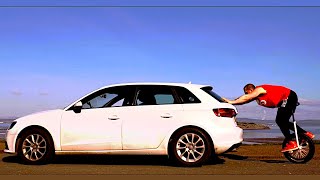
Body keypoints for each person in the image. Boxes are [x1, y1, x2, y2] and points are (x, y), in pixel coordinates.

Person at [222, 83, 315, 152]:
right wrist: (230, 102)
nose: (247, 95)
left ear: (251, 90)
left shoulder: (259, 89)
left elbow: (247, 97)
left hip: (289, 97)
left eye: (247, 92)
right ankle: (304, 134)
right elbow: (244, 101)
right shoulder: (257, 97)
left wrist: (231, 102)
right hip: (286, 100)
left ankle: (292, 142)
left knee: (280, 120)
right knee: (282, 121)